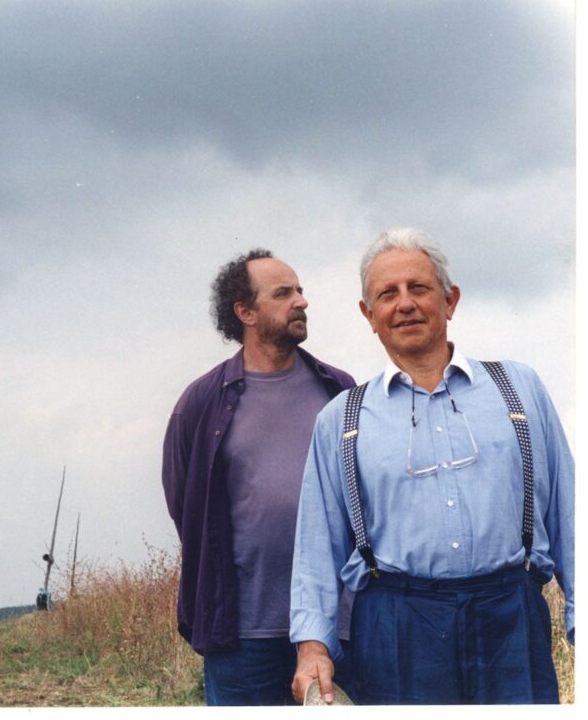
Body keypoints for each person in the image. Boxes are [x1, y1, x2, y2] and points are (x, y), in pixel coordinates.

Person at [290, 228, 574, 705]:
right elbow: (317, 547)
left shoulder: (520, 390)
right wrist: (312, 646)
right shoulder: (341, 420)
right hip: (396, 627)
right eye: (387, 294)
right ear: (369, 315)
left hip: (511, 619)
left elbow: (570, 517)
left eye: (418, 288)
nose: (404, 304)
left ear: (450, 300)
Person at [161, 249, 355, 705]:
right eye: (283, 293)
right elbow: (185, 508)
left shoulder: (340, 392)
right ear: (245, 312)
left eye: (300, 290)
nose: (301, 301)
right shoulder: (201, 403)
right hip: (242, 634)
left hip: (335, 629)